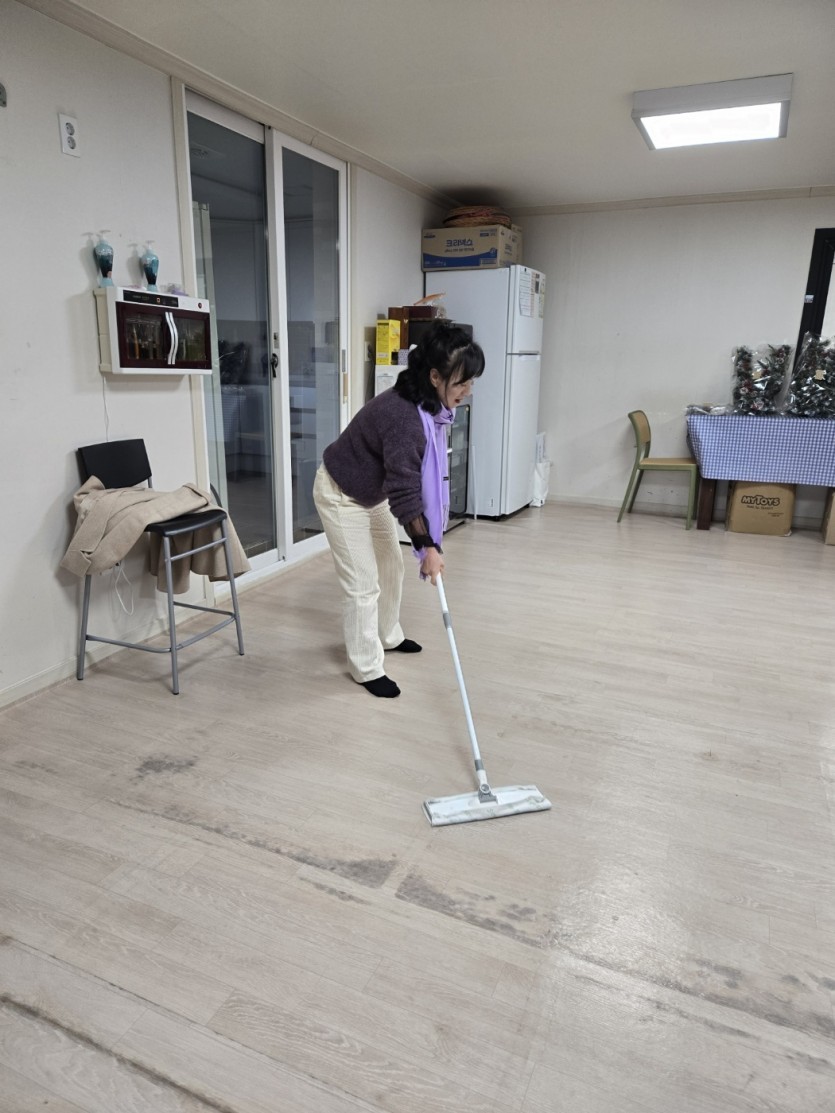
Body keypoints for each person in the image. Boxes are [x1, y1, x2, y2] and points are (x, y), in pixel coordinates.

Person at [313, 320, 485, 698]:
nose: (467, 391)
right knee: (363, 584)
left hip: (371, 494)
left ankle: (388, 636)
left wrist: (426, 545)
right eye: (461, 382)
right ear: (435, 377)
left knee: (391, 565)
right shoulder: (405, 417)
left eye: (471, 382)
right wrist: (427, 546)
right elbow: (405, 490)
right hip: (341, 493)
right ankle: (366, 666)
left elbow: (407, 482)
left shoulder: (429, 407)